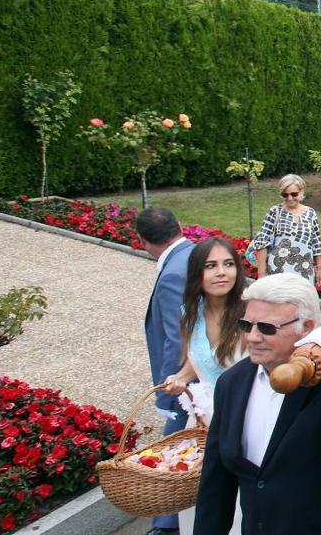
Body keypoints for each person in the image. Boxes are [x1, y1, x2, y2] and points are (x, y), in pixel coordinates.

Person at [195, 273, 321, 534]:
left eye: (266, 328)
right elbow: (216, 481)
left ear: (306, 326)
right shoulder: (233, 382)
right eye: (246, 324)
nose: (252, 337)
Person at [160, 237, 249, 535]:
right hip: (201, 423)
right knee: (204, 507)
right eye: (211, 266)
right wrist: (181, 378)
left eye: (228, 264)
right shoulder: (189, 313)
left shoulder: (251, 311)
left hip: (246, 418)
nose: (221, 272)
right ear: (198, 272)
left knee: (242, 508)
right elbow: (194, 360)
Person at [135, 207, 193, 535]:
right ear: (180, 226)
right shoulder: (196, 254)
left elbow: (177, 338)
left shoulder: (173, 273)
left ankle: (167, 524)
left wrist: (168, 392)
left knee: (175, 450)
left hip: (186, 384)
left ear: (142, 241)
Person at [249, 174, 321, 285]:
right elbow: (262, 243)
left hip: (304, 270)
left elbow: (316, 242)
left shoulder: (311, 213)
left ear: (301, 191)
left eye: (294, 194)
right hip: (278, 270)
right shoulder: (275, 211)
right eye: (285, 194)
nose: (289, 198)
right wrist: (261, 275)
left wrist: (319, 268)